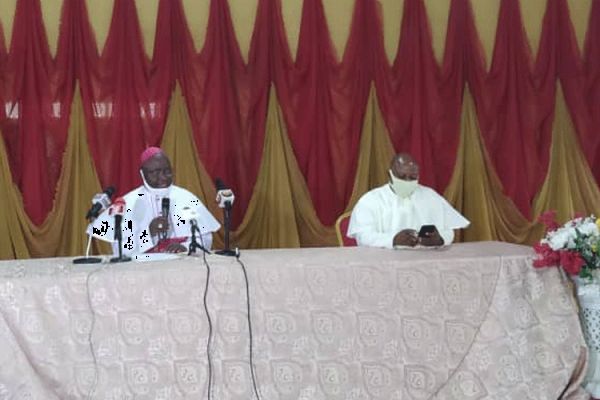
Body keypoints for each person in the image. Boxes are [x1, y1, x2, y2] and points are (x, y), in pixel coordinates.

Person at [88, 147, 220, 255]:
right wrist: (148, 232)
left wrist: (186, 247)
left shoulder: (187, 198)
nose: (162, 177)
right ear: (143, 174)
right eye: (155, 173)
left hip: (180, 269)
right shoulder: (129, 202)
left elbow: (205, 238)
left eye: (167, 171)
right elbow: (120, 250)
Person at [347, 153, 469, 248]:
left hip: (425, 261)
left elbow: (449, 231)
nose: (407, 181)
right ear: (390, 175)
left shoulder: (430, 196)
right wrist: (393, 240)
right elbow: (363, 236)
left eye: (412, 177)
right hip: (384, 264)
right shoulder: (370, 200)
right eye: (402, 177)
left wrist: (440, 239)